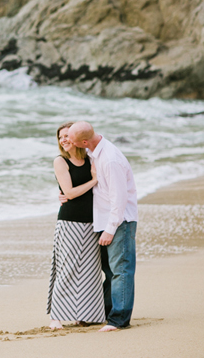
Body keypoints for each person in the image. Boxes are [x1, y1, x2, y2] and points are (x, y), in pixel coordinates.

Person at [66, 122, 138, 330]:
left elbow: (119, 199)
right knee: (109, 270)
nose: (70, 143)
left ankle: (119, 319)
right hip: (103, 219)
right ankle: (107, 312)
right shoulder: (94, 152)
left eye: (73, 141)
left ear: (85, 142)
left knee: (121, 270)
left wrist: (110, 228)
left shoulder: (110, 159)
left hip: (119, 221)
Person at [47, 122, 106, 329]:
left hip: (92, 222)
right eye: (60, 137)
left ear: (76, 139)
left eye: (66, 136)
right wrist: (93, 181)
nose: (63, 140)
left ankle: (85, 315)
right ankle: (56, 316)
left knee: (90, 271)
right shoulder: (60, 161)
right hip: (69, 222)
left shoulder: (91, 159)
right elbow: (70, 193)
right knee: (66, 269)